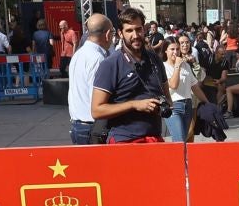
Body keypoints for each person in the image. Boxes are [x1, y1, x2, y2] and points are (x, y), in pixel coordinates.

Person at [91, 7, 167, 143]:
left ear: (144, 30)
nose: (135, 35)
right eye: (129, 31)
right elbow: (96, 110)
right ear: (120, 33)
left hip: (154, 138)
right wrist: (134, 105)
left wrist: (163, 104)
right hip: (124, 140)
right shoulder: (110, 64)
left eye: (138, 29)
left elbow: (167, 95)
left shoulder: (154, 59)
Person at [66, 13, 115, 145]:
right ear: (108, 34)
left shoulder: (79, 54)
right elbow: (99, 98)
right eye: (113, 33)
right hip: (92, 128)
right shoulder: (98, 59)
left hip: (79, 125)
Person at [163, 35, 200, 143]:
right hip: (173, 106)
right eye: (172, 49)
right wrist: (177, 66)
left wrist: (207, 102)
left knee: (186, 139)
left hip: (188, 105)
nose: (176, 52)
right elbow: (173, 85)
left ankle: (184, 160)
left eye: (177, 49)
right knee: (179, 141)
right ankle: (177, 159)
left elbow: (195, 86)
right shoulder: (163, 66)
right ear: (166, 51)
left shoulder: (186, 66)